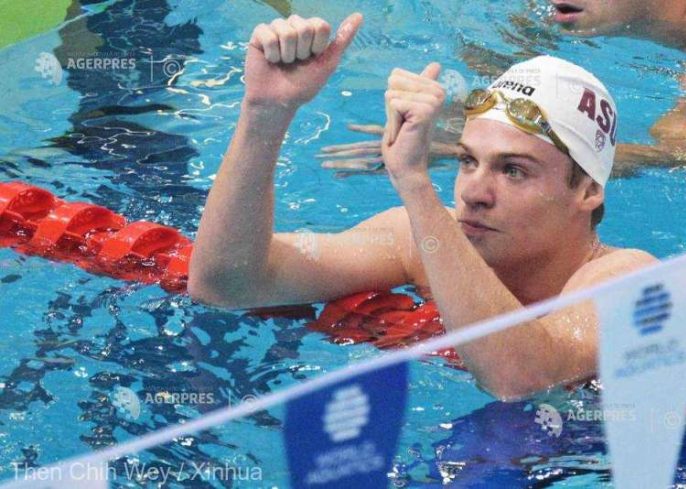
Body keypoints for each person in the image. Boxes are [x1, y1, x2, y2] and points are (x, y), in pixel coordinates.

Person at [187, 13, 657, 401]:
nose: (473, 193)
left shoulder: (631, 281)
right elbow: (226, 285)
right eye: (467, 161)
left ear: (588, 191)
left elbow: (520, 379)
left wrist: (414, 182)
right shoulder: (419, 241)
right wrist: (264, 112)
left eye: (513, 170)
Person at [320, 0, 686, 173]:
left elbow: (676, 152)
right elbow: (496, 68)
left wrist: (481, 154)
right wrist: (470, 113)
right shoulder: (563, 10)